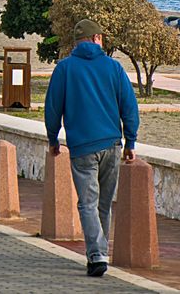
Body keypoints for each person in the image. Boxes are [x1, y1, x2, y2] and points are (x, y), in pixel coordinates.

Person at [44, 18, 139, 278]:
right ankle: (98, 253)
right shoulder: (114, 68)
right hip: (111, 144)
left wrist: (53, 139)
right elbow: (129, 107)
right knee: (103, 205)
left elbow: (52, 108)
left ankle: (97, 254)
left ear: (78, 42)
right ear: (97, 39)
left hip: (82, 147)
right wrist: (130, 141)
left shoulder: (64, 69)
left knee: (88, 203)